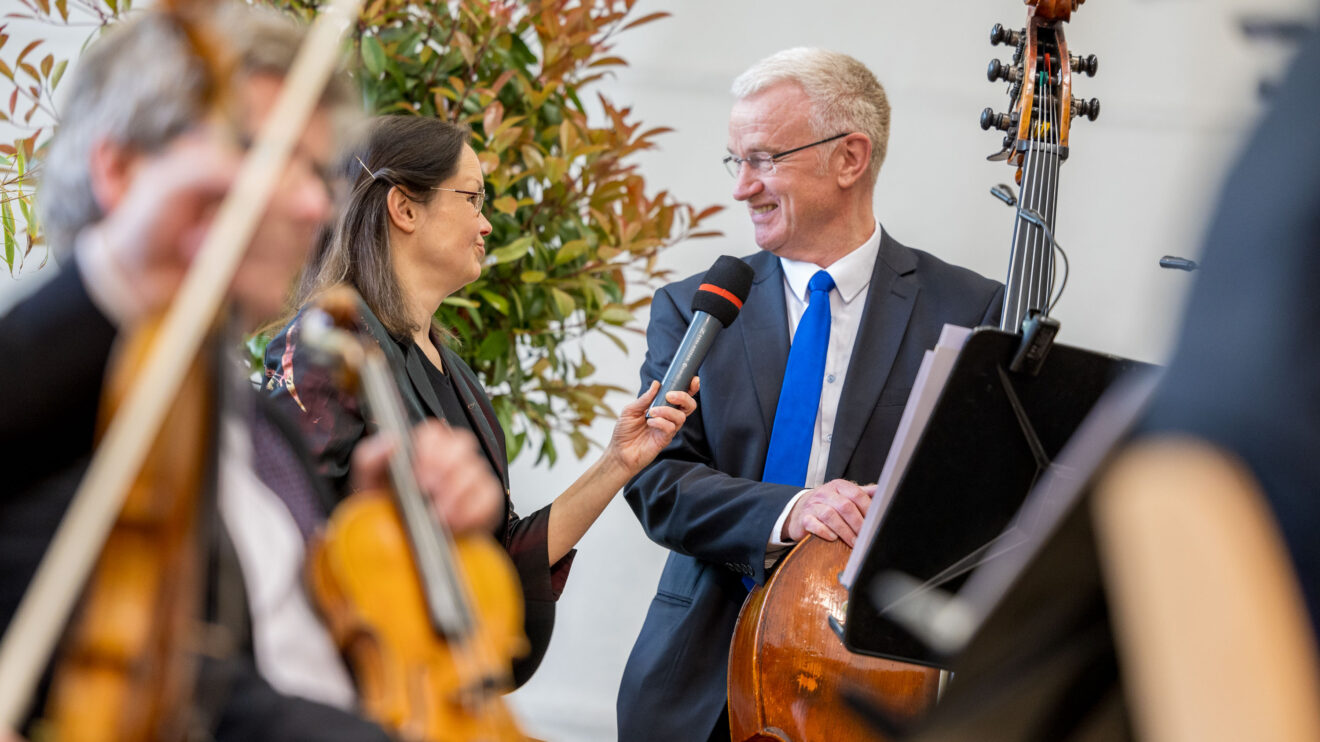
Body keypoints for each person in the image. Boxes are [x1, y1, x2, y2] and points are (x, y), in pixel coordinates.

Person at [0, 6, 502, 741]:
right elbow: (201, 689)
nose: (313, 203)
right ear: (120, 169)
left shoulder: (252, 424)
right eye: (269, 157)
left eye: (317, 170)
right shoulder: (68, 416)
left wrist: (372, 541)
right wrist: (124, 269)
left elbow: (293, 636)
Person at [616, 47, 1005, 741]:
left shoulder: (969, 309)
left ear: (850, 158)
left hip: (863, 683)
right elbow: (658, 486)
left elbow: (985, 508)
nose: (742, 187)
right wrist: (794, 510)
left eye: (764, 159)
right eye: (735, 161)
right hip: (694, 684)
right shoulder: (692, 306)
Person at [263, 114, 700, 685]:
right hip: (357, 680)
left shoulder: (459, 376)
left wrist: (620, 460)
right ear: (405, 208)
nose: (487, 223)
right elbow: (288, 527)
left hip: (436, 681)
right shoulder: (329, 343)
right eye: (472, 197)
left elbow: (500, 556)